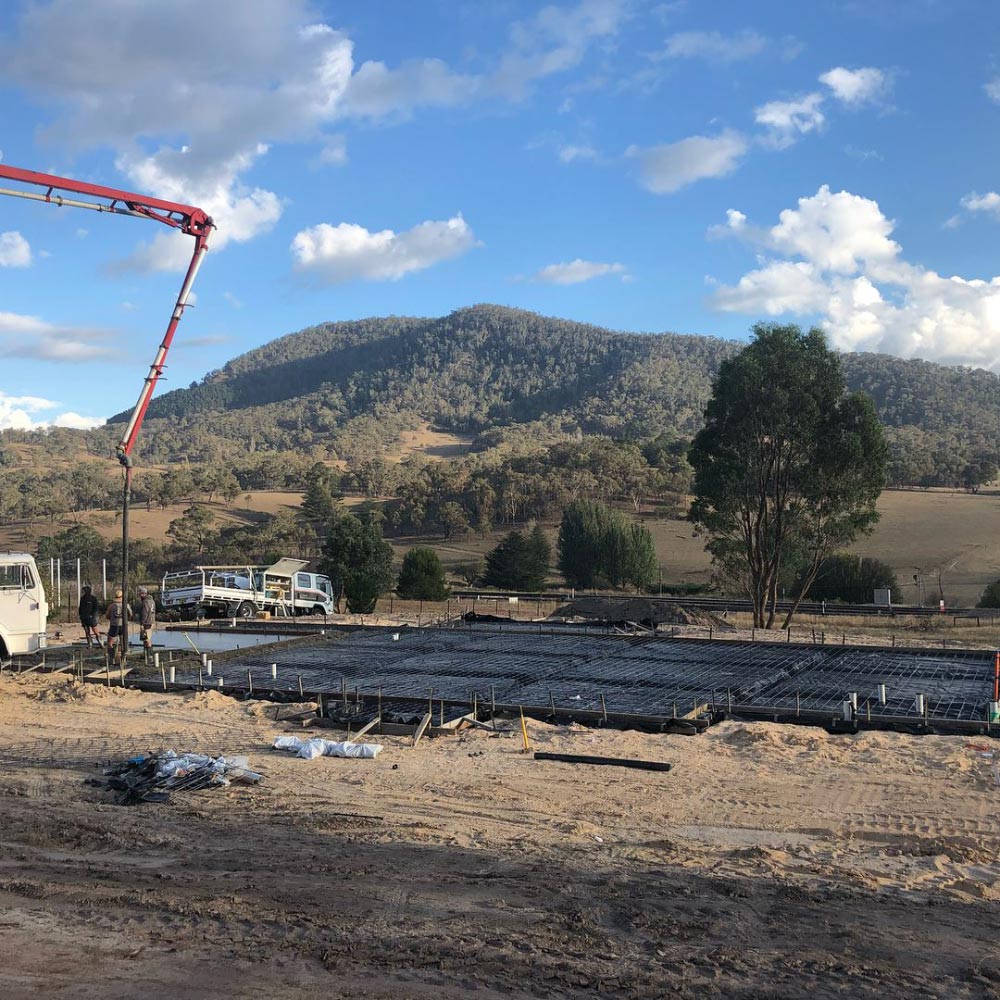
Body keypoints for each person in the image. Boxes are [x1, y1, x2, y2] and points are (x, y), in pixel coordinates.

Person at [106, 589, 130, 663]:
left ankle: (111, 658)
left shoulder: (112, 605)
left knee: (110, 642)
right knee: (123, 641)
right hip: (123, 625)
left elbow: (107, 615)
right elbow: (130, 614)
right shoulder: (126, 605)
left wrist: (113, 618)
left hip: (114, 625)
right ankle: (123, 658)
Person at [138, 586, 156, 661]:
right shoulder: (152, 601)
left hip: (146, 622)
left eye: (140, 594)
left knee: (146, 639)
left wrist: (142, 623)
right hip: (151, 621)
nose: (139, 596)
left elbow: (144, 613)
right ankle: (146, 655)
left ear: (143, 594)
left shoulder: (145, 602)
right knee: (147, 638)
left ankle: (149, 656)